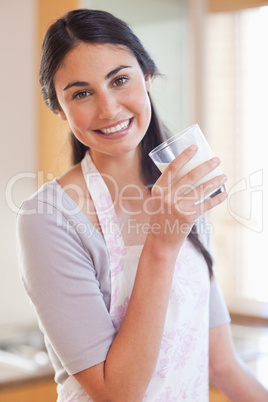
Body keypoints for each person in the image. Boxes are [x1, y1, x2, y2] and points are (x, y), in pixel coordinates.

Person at [17, 8, 268, 402]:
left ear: (146, 77)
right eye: (81, 93)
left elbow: (223, 364)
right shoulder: (49, 219)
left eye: (120, 80)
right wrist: (162, 244)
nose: (109, 109)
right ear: (59, 110)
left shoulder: (180, 192)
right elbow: (118, 393)